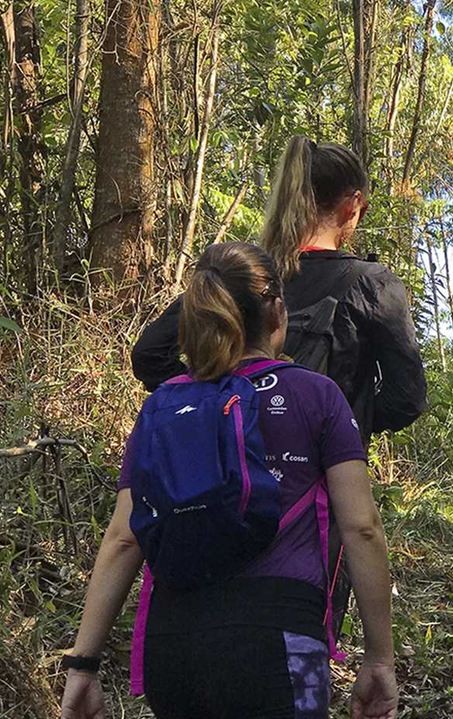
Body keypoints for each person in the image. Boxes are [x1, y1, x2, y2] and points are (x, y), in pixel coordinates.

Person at [60, 243, 398, 719]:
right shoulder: (317, 395)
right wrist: (379, 658)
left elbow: (121, 539)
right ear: (278, 313)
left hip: (172, 647)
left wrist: (83, 665)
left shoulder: (163, 405)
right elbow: (362, 527)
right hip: (278, 642)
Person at [132, 137, 427, 446]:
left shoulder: (242, 272)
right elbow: (407, 399)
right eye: (362, 210)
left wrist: (212, 400)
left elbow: (149, 354)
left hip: (231, 468)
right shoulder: (371, 284)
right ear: (352, 205)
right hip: (326, 477)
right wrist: (345, 422)